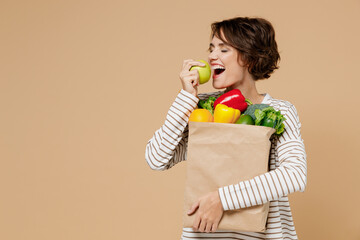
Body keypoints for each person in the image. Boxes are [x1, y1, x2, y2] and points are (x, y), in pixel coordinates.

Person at [145, 16, 307, 240]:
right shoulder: (201, 108)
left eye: (223, 49)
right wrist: (186, 98)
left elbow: (294, 175)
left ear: (249, 57)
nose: (211, 56)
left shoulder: (278, 111)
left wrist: (222, 199)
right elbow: (157, 159)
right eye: (211, 49)